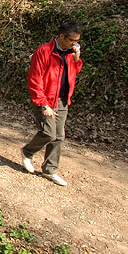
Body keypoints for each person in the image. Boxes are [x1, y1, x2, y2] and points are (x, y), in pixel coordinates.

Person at [20, 21, 84, 186]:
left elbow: (73, 71)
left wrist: (77, 59)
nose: (74, 44)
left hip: (62, 99)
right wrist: (43, 104)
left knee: (59, 137)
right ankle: (27, 152)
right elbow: (34, 80)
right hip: (46, 99)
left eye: (77, 41)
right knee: (48, 133)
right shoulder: (44, 52)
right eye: (72, 40)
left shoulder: (70, 52)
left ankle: (49, 170)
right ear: (61, 36)